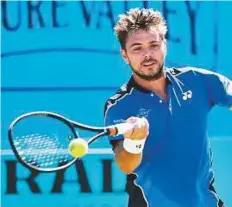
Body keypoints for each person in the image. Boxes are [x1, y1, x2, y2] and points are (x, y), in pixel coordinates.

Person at [104, 8, 231, 207]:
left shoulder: (197, 81)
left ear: (164, 45)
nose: (147, 54)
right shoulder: (119, 105)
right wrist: (134, 142)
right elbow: (125, 164)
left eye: (154, 45)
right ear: (125, 55)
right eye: (137, 48)